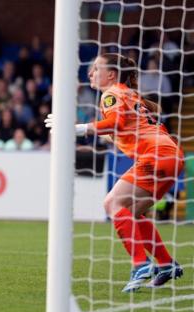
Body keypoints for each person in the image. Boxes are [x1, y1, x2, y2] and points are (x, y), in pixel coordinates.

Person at [45, 53, 184, 292]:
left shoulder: (112, 94)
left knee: (112, 203)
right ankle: (166, 264)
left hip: (156, 154)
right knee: (133, 213)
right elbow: (120, 132)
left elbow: (116, 123)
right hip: (172, 156)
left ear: (111, 74)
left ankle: (140, 264)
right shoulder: (129, 95)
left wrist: (78, 127)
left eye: (96, 68)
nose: (91, 73)